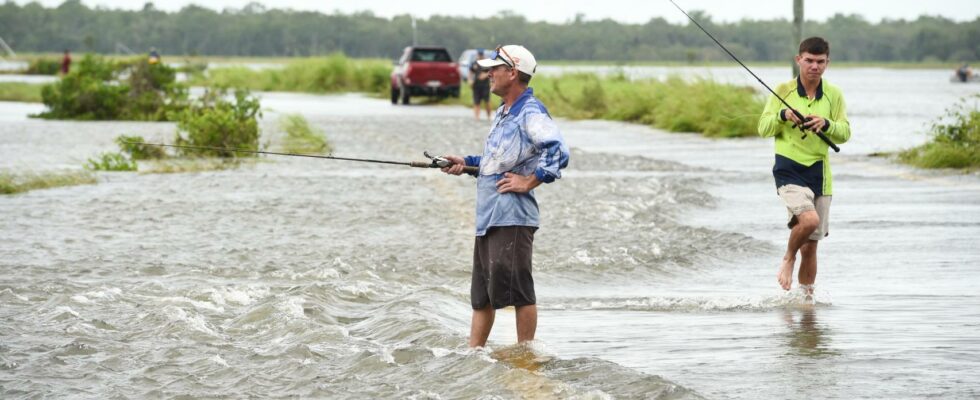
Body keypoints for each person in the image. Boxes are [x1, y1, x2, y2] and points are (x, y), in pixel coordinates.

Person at [441, 45, 569, 348]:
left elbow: (558, 151)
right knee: (481, 297)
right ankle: (473, 357)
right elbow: (495, 160)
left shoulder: (531, 111)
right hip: (488, 218)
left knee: (520, 293)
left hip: (512, 218)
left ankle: (526, 357)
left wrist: (530, 181)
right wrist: (466, 163)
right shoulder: (502, 112)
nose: (488, 74)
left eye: (494, 69)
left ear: (512, 73)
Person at [757, 37, 850, 295]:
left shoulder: (834, 95)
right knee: (808, 221)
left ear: (827, 63)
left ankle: (806, 303)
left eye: (820, 62)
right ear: (799, 60)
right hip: (789, 169)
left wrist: (826, 124)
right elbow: (763, 128)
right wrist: (783, 115)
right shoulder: (782, 90)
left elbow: (845, 133)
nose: (814, 66)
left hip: (820, 174)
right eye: (809, 60)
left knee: (811, 246)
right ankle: (788, 257)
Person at [470, 49, 492, 120]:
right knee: (476, 101)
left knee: (487, 101)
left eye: (481, 55)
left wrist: (485, 75)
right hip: (476, 85)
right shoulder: (474, 63)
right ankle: (477, 117)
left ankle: (489, 116)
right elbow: (470, 72)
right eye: (479, 55)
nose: (480, 56)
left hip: (485, 85)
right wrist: (470, 80)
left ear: (483, 55)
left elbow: (491, 72)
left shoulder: (486, 63)